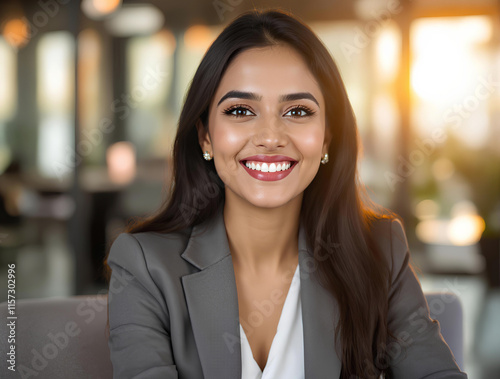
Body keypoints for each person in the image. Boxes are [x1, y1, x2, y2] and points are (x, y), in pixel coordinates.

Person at [103, 8, 468, 379]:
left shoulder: (380, 251)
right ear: (205, 136)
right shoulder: (145, 267)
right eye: (241, 110)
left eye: (297, 111)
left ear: (327, 136)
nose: (271, 137)